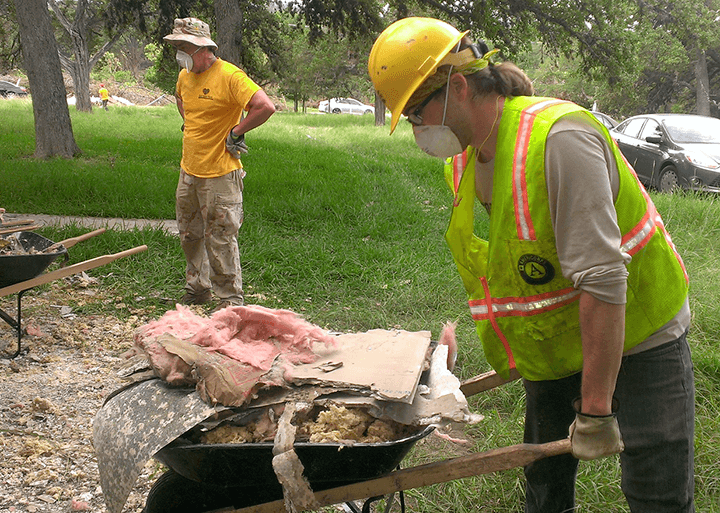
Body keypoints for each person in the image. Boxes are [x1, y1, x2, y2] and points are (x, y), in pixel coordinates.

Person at [369, 17, 694, 513]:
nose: (416, 129)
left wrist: (596, 411)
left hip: (641, 331)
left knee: (657, 493)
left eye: (416, 113)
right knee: (543, 482)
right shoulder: (465, 156)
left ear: (457, 87)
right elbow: (526, 252)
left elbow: (603, 279)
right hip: (561, 339)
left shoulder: (560, 138)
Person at [163, 17, 275, 310]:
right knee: (189, 234)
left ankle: (229, 301)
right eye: (176, 46)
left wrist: (237, 131)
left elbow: (265, 106)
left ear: (201, 48)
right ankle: (198, 289)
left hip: (221, 175)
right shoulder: (185, 77)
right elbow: (180, 99)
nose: (178, 52)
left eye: (182, 46)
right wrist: (190, 123)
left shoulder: (229, 75)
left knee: (221, 238)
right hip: (189, 171)